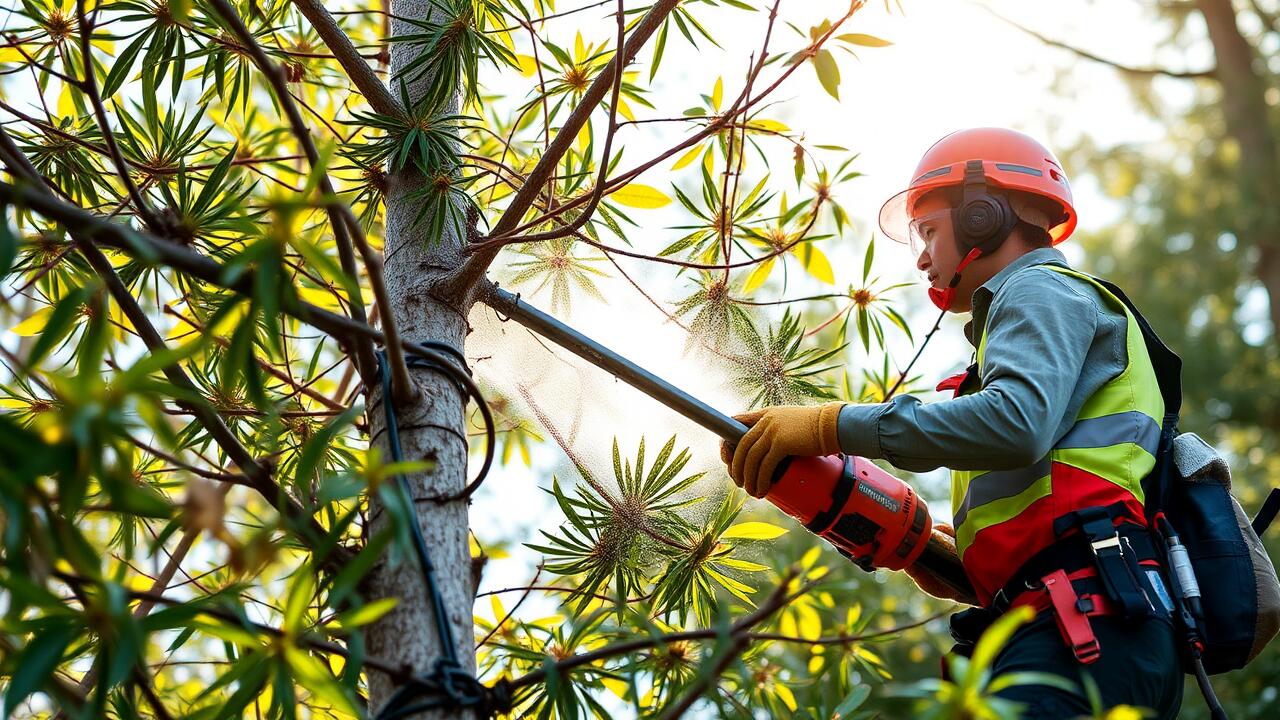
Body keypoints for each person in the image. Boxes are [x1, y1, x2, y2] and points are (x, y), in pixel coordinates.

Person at [720, 128, 1184, 718]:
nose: (921, 256)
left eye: (929, 231)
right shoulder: (1043, 309)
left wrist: (828, 428)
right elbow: (1056, 508)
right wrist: (931, 551)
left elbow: (1015, 425)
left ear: (983, 216)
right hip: (1085, 621)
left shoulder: (1038, 289)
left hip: (1082, 625)